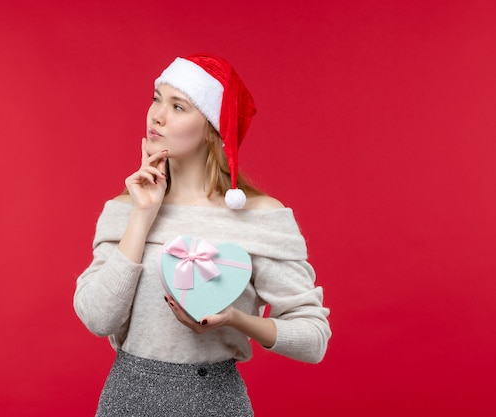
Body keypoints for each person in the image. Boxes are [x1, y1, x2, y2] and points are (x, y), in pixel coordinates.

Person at [73, 54, 331, 416]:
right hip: (125, 401)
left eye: (178, 106)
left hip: (215, 402)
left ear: (212, 128)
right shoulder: (125, 208)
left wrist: (234, 319)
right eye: (156, 98)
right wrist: (143, 215)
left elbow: (313, 339)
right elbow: (98, 319)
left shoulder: (261, 218)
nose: (157, 116)